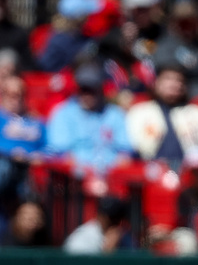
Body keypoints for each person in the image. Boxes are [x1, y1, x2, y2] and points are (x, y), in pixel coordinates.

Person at [125, 64, 198, 172]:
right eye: (168, 79)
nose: (174, 84)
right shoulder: (139, 112)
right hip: (150, 171)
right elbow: (133, 147)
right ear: (156, 83)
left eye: (179, 80)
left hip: (189, 173)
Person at [46, 64, 132, 176]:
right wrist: (88, 173)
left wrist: (109, 174)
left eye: (91, 90)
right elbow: (62, 155)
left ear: (100, 90)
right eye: (83, 90)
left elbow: (125, 155)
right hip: (76, 178)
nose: (87, 95)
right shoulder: (64, 114)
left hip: (111, 176)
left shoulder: (114, 114)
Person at [0, 76, 45, 216]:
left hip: (29, 168)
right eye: (11, 95)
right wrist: (11, 153)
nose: (16, 99)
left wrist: (40, 156)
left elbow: (51, 147)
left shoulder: (36, 121)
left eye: (20, 95)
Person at [63, 195, 129, 254]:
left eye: (117, 219)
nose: (116, 223)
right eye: (112, 219)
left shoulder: (122, 236)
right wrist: (107, 251)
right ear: (98, 216)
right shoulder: (85, 236)